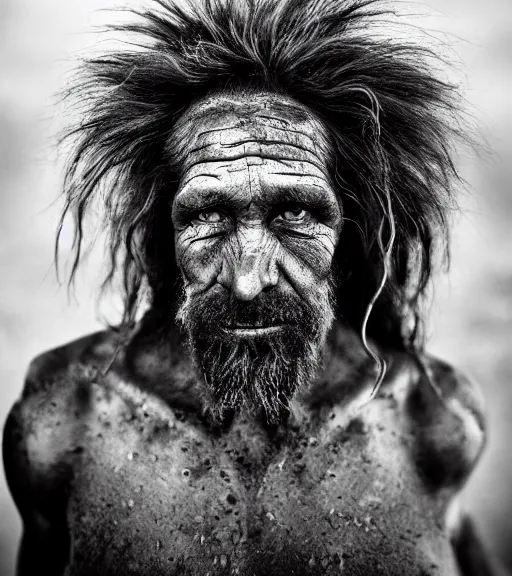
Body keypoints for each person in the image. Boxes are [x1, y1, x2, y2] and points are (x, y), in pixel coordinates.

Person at [3, 0, 505, 574]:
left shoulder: (432, 420)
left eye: (295, 212)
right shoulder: (65, 417)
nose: (247, 282)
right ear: (163, 228)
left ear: (352, 224)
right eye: (208, 216)